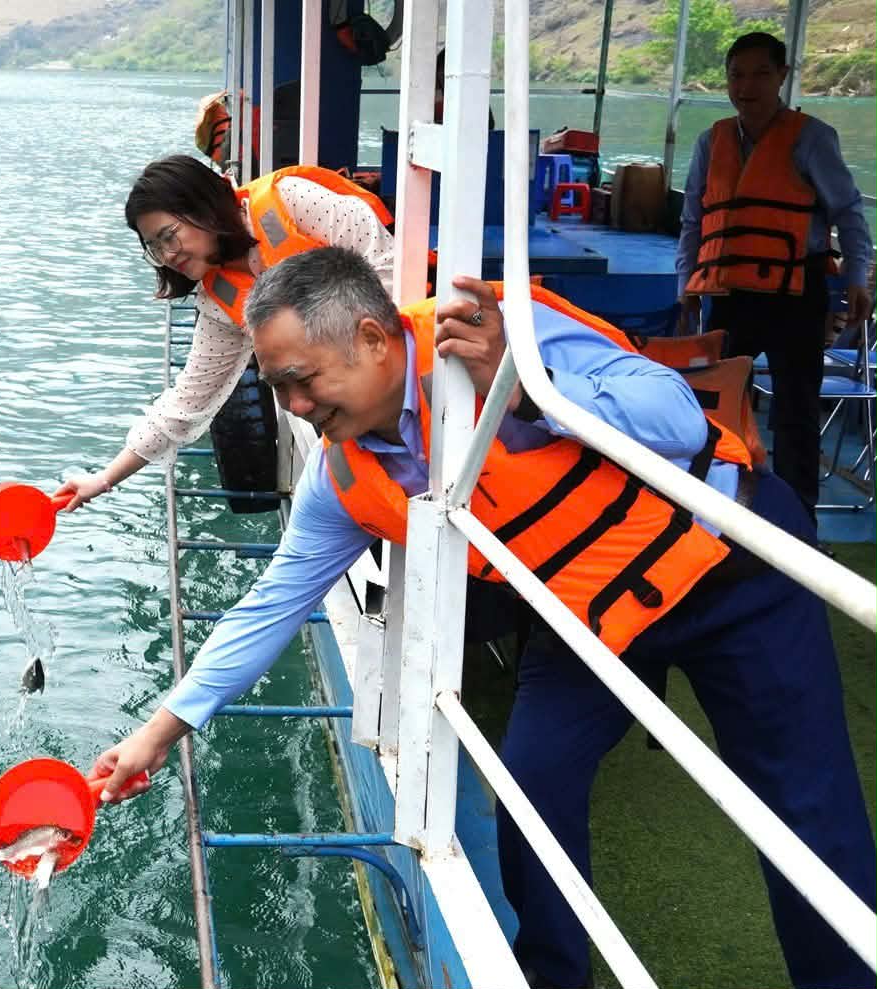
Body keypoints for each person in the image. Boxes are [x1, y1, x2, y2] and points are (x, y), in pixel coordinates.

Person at [93, 247, 877, 989]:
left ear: (372, 338)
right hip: (588, 615)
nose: (296, 408)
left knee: (806, 807)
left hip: (728, 569)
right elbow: (270, 604)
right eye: (279, 391)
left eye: (303, 381)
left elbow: (675, 418)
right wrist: (156, 735)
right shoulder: (344, 479)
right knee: (532, 783)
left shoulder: (498, 329)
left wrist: (528, 387)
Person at [53, 154, 395, 510]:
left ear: (204, 205)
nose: (168, 255)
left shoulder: (293, 202)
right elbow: (186, 402)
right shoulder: (222, 302)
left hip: (404, 375)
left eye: (169, 235)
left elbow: (390, 273)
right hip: (351, 423)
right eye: (154, 248)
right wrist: (104, 478)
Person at [677, 31, 873, 521]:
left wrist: (858, 275)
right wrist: (686, 286)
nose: (747, 86)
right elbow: (693, 221)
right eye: (736, 75)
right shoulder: (712, 140)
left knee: (796, 414)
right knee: (720, 407)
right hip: (730, 295)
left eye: (761, 73)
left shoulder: (812, 138)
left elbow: (848, 210)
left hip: (795, 295)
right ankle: (722, 509)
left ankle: (797, 521)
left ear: (782, 76)